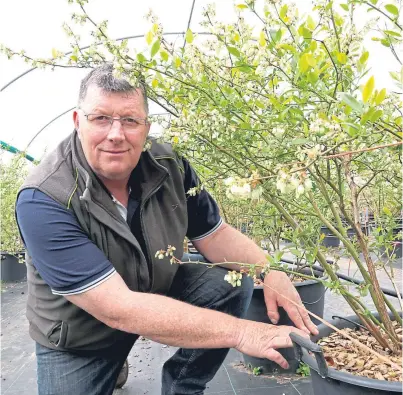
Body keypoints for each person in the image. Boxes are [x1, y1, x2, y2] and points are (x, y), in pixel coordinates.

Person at [15, 63, 317, 395]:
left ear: (146, 127)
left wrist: (268, 268)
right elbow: (118, 308)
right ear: (77, 122)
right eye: (101, 118)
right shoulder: (44, 197)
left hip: (154, 286)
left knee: (229, 282)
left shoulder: (168, 164)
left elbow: (214, 234)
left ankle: (183, 387)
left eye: (130, 120)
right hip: (80, 332)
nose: (116, 134)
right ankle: (111, 362)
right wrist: (244, 332)